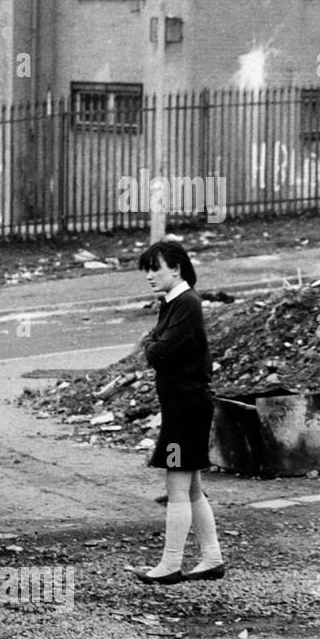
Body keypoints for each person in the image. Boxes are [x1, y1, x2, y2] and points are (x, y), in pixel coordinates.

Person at [131, 239, 226, 584]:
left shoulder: (186, 303)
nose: (149, 276)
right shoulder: (176, 302)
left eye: (155, 268)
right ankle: (211, 558)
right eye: (148, 269)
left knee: (176, 482)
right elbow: (159, 344)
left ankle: (170, 564)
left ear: (177, 268)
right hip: (184, 406)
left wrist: (151, 345)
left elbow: (160, 351)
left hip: (186, 407)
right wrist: (154, 344)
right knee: (192, 486)